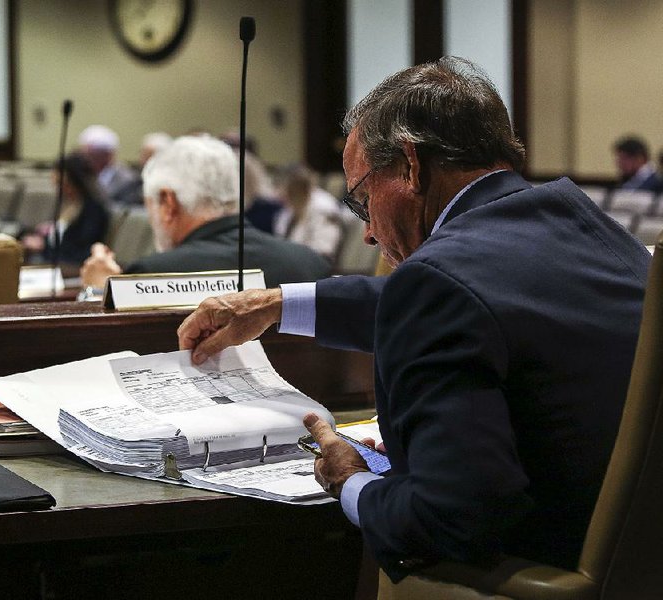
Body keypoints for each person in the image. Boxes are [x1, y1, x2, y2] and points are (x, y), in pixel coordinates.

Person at [176, 57, 651, 582]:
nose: (369, 235)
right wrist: (277, 304)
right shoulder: (585, 226)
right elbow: (470, 303)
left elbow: (449, 518)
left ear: (409, 165)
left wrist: (351, 482)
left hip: (535, 569)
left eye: (362, 201)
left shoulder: (441, 281)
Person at [80, 135, 331, 290]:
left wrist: (103, 289)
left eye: (150, 205)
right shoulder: (310, 264)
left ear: (168, 202)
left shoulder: (151, 275)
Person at [22, 151, 109, 266]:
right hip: (52, 261)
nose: (59, 190)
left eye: (62, 184)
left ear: (76, 182)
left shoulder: (93, 210)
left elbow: (82, 251)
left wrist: (43, 247)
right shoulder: (68, 205)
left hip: (70, 268)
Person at [273, 164, 343, 261]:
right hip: (291, 261)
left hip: (315, 264)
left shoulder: (323, 208)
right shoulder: (288, 210)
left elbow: (323, 250)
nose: (278, 194)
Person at [78, 125, 140, 206]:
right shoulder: (83, 174)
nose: (84, 159)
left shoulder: (128, 180)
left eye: (91, 155)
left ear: (108, 155)